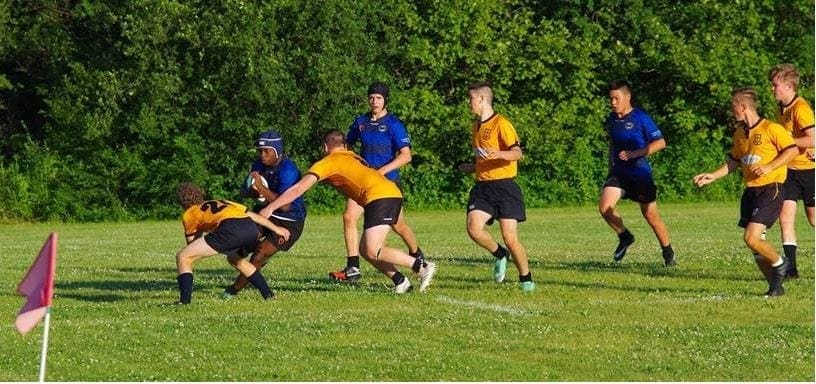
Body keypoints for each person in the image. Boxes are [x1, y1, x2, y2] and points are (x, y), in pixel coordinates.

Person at [260, 130, 437, 293]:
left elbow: (298, 189)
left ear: (325, 147)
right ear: (344, 145)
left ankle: (420, 265)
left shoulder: (329, 161)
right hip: (386, 193)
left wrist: (270, 207)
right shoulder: (353, 157)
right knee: (366, 250)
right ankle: (401, 282)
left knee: (373, 249)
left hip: (380, 197)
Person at [693, 87, 798, 297]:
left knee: (751, 238)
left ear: (743, 107)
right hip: (750, 192)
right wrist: (712, 176)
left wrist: (770, 167)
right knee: (755, 247)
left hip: (771, 189)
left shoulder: (771, 129)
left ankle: (781, 262)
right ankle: (775, 287)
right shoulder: (740, 133)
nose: (733, 112)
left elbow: (793, 150)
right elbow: (733, 162)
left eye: (734, 108)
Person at [329, 81, 426, 282]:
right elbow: (346, 146)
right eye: (372, 97)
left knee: (399, 226)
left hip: (387, 186)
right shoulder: (361, 122)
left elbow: (406, 156)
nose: (374, 101)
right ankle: (353, 267)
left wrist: (382, 171)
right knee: (349, 217)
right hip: (363, 183)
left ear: (385, 100)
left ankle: (416, 254)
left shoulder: (394, 124)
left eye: (379, 98)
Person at [457, 82, 535, 292]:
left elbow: (517, 154)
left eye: (471, 98)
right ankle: (500, 254)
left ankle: (526, 278)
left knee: (511, 238)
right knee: (474, 229)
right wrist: (473, 167)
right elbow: (485, 159)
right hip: (482, 187)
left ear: (482, 99)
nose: (468, 102)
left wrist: (499, 154)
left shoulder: (502, 124)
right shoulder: (476, 126)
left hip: (505, 188)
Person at [599, 79, 676, 266]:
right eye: (611, 99)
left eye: (616, 98)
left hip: (640, 174)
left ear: (627, 97)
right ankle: (625, 236)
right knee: (605, 208)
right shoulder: (612, 119)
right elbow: (612, 145)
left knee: (650, 215)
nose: (613, 102)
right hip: (619, 173)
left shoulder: (641, 118)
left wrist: (636, 153)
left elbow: (661, 142)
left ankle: (668, 253)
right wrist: (611, 169)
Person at [222, 130, 308, 299]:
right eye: (260, 151)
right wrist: (252, 190)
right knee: (238, 249)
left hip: (289, 220)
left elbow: (285, 206)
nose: (262, 155)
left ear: (277, 151)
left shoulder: (289, 171)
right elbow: (244, 192)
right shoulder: (257, 166)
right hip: (262, 214)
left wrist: (261, 188)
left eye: (266, 151)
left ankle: (233, 290)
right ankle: (254, 265)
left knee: (259, 254)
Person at [175, 182, 290, 304]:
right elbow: (253, 216)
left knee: (183, 257)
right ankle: (269, 295)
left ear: (181, 202)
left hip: (230, 228)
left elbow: (191, 244)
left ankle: (184, 301)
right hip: (251, 229)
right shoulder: (222, 201)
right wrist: (277, 229)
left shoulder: (189, 214)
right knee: (235, 259)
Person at [768, 63, 815, 279]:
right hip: (789, 172)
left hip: (809, 172)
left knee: (813, 219)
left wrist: (786, 143)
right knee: (785, 219)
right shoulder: (782, 108)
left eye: (775, 84)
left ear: (788, 86)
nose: (772, 88)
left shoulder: (800, 109)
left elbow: (813, 138)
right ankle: (792, 270)